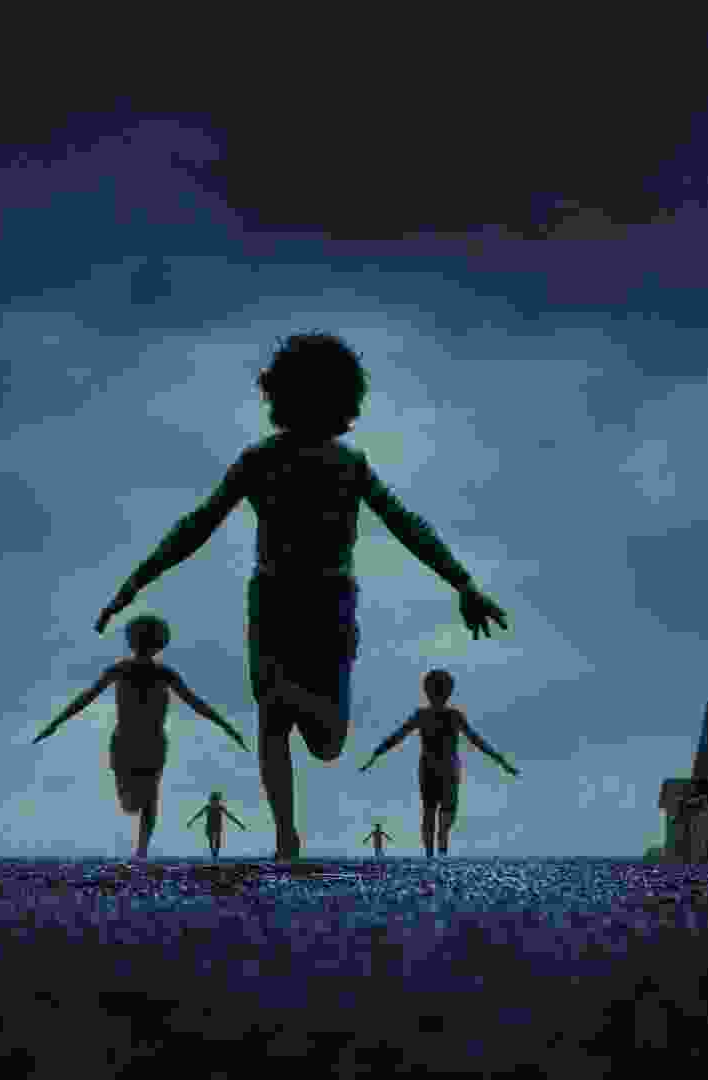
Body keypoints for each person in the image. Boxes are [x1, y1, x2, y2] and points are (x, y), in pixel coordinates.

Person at [93, 332, 512, 860]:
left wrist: (134, 583)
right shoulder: (338, 464)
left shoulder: (273, 461)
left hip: (279, 599)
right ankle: (285, 833)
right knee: (322, 738)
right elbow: (408, 526)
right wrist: (462, 582)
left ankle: (286, 826)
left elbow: (195, 527)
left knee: (283, 723)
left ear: (279, 394)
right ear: (345, 400)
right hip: (322, 600)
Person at [33, 614, 248, 859]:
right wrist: (55, 723)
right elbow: (87, 697)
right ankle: (141, 841)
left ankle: (142, 850)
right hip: (126, 740)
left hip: (150, 742)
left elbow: (195, 702)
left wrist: (226, 726)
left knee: (149, 795)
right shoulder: (122, 669)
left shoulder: (163, 673)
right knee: (132, 802)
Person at [358, 669, 519, 857]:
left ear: (426, 690)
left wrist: (376, 754)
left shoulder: (424, 715)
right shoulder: (452, 716)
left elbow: (398, 736)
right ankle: (440, 852)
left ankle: (430, 854)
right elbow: (476, 740)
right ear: (449, 691)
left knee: (429, 811)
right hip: (447, 768)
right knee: (444, 813)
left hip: (430, 767)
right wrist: (501, 761)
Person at [186, 790, 249, 859]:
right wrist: (191, 821)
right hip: (209, 828)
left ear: (218, 801)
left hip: (217, 828)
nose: (214, 803)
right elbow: (198, 814)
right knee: (212, 840)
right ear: (210, 801)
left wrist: (240, 824)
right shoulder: (207, 807)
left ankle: (215, 856)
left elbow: (231, 816)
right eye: (213, 801)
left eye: (216, 802)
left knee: (217, 841)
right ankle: (213, 855)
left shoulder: (220, 808)